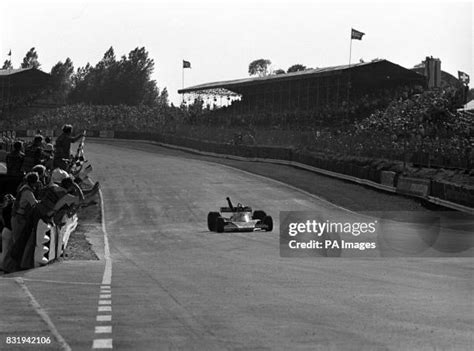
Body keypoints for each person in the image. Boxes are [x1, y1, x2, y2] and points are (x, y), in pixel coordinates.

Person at [3, 172, 40, 272]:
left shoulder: (23, 187)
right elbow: (34, 204)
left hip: (17, 217)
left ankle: (9, 265)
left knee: (16, 242)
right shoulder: (28, 191)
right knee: (17, 243)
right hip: (20, 218)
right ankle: (10, 266)